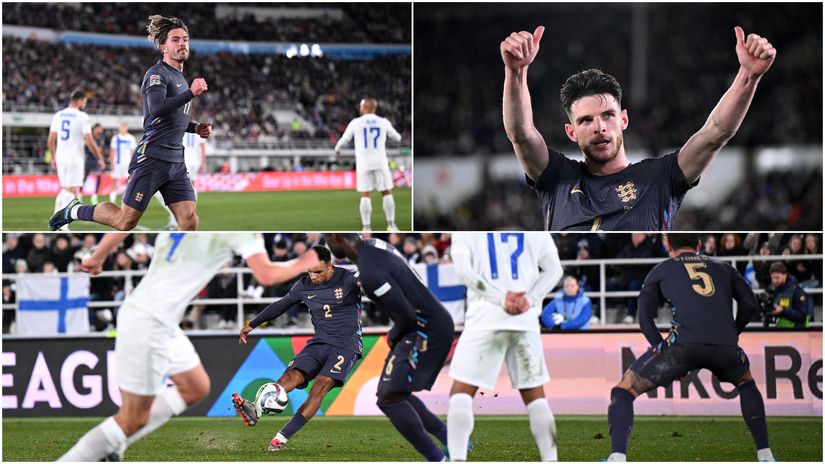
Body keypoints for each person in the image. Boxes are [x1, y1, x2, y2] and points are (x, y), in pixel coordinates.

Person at [57, 233, 319, 461]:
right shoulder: (238, 230)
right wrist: (307, 260)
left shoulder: (182, 211)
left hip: (158, 318)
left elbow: (128, 219)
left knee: (196, 387)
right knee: (132, 418)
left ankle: (113, 445)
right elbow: (267, 274)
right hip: (149, 321)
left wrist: (98, 255)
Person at [499, 25, 776, 230]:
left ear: (624, 120)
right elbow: (521, 135)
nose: (599, 127)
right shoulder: (557, 177)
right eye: (585, 120)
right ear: (571, 132)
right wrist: (515, 72)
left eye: (608, 115)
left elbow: (715, 134)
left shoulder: (661, 178)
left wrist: (748, 75)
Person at [605, 233, 775, 462]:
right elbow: (750, 303)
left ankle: (617, 457)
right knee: (746, 383)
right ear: (698, 245)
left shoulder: (661, 270)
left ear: (668, 245)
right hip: (725, 347)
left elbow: (644, 319)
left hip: (681, 346)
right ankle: (765, 455)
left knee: (623, 391)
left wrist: (663, 350)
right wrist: (733, 333)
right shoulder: (724, 267)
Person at [50, 15, 212, 231]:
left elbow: (172, 119)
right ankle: (74, 210)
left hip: (176, 160)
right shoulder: (157, 74)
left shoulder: (181, 79)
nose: (182, 43)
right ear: (163, 47)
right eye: (175, 40)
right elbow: (156, 108)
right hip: (153, 157)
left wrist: (195, 128)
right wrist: (190, 94)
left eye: (185, 39)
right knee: (124, 221)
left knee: (189, 220)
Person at [325, 234, 454, 462]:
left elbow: (407, 315)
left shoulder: (370, 272)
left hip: (425, 327)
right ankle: (451, 440)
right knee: (392, 391)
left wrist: (393, 335)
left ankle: (439, 458)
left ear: (337, 238)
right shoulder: (375, 246)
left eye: (327, 238)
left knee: (389, 397)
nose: (327, 244)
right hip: (427, 322)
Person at [232, 246, 362, 451]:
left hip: (346, 346)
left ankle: (280, 438)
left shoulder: (348, 278)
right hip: (319, 343)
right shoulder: (303, 285)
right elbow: (281, 305)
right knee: (290, 377)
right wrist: (253, 324)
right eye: (310, 271)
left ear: (330, 266)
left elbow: (370, 285)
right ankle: (256, 410)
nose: (313, 276)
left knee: (319, 386)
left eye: (318, 272)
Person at [448, 232, 563, 461]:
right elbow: (554, 270)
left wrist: (500, 298)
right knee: (536, 398)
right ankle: (551, 459)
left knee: (460, 395)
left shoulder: (465, 228)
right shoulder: (535, 226)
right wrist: (530, 299)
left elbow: (463, 271)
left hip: (485, 317)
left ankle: (458, 459)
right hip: (525, 320)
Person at [334, 97, 403, 232]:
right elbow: (397, 137)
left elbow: (345, 139)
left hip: (363, 164)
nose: (360, 108)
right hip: (380, 162)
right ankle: (391, 225)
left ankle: (366, 227)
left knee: (365, 195)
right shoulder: (383, 122)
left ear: (365, 107)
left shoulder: (356, 122)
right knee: (386, 192)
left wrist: (337, 148)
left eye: (361, 106)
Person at [48, 89, 105, 231]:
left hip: (61, 157)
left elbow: (51, 139)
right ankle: (62, 224)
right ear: (79, 101)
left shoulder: (58, 115)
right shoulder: (82, 116)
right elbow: (90, 141)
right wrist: (99, 157)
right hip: (74, 157)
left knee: (65, 188)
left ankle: (55, 219)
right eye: (84, 101)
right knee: (72, 189)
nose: (84, 104)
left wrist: (53, 157)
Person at [767, 262, 809, 328]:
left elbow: (801, 315)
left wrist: (783, 310)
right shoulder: (771, 289)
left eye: (777, 278)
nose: (774, 281)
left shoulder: (797, 292)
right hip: (777, 329)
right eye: (772, 278)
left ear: (785, 275)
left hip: (795, 330)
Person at [109, 122, 138, 204]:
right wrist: (111, 163)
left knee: (128, 181)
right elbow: (112, 151)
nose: (122, 129)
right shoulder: (115, 138)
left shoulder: (131, 138)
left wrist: (133, 163)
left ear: (126, 128)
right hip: (117, 163)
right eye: (121, 127)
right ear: (119, 128)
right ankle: (112, 201)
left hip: (127, 163)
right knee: (114, 181)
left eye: (124, 127)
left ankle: (126, 201)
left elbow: (133, 152)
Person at [85, 123, 108, 204]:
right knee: (84, 177)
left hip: (97, 160)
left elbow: (101, 150)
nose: (100, 130)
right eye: (99, 128)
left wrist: (100, 157)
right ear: (95, 129)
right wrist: (97, 151)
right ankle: (79, 193)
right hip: (89, 159)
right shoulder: (90, 137)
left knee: (98, 177)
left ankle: (94, 195)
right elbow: (90, 148)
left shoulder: (102, 138)